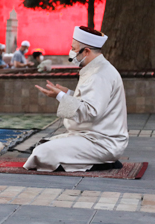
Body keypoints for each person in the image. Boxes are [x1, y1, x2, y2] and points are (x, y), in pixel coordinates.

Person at [25, 27, 128, 172]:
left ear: (86, 51)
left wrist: (61, 96)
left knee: (42, 154)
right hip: (92, 136)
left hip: (102, 142)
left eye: (74, 49)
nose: (71, 52)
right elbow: (91, 100)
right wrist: (68, 93)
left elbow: (90, 111)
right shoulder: (96, 68)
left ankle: (103, 163)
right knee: (42, 145)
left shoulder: (99, 74)